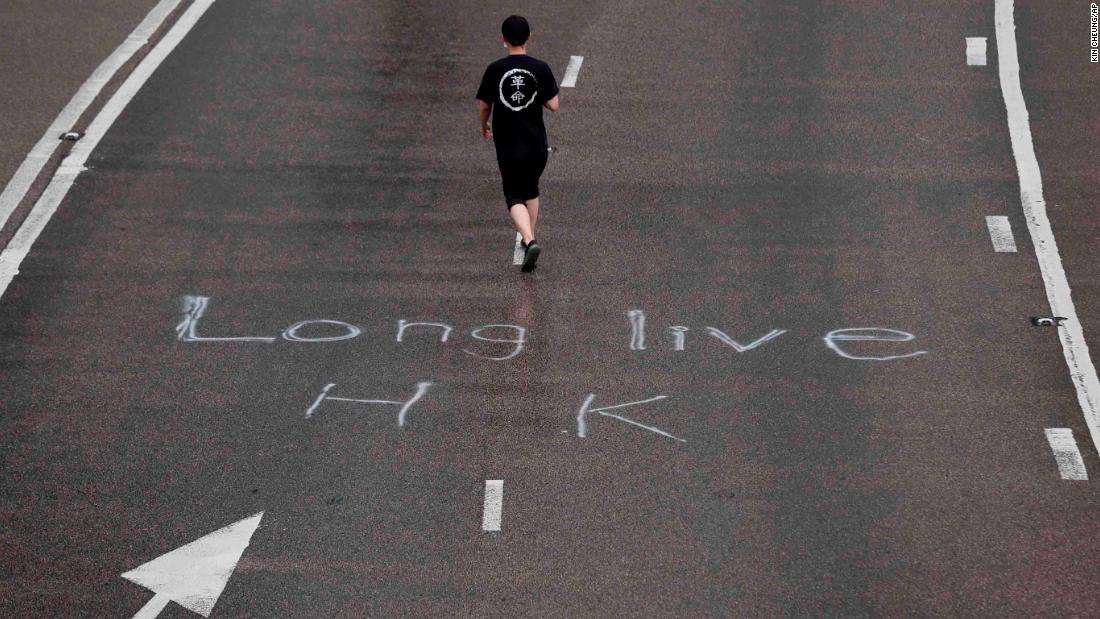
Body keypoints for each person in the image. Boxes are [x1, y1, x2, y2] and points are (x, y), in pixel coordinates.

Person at [476, 15, 560, 272]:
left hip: (509, 145)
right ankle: (528, 244)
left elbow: (484, 106)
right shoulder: (540, 68)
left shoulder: (495, 69)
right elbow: (554, 105)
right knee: (531, 189)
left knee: (513, 194)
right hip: (536, 143)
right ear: (529, 37)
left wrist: (484, 127)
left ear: (503, 39)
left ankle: (529, 239)